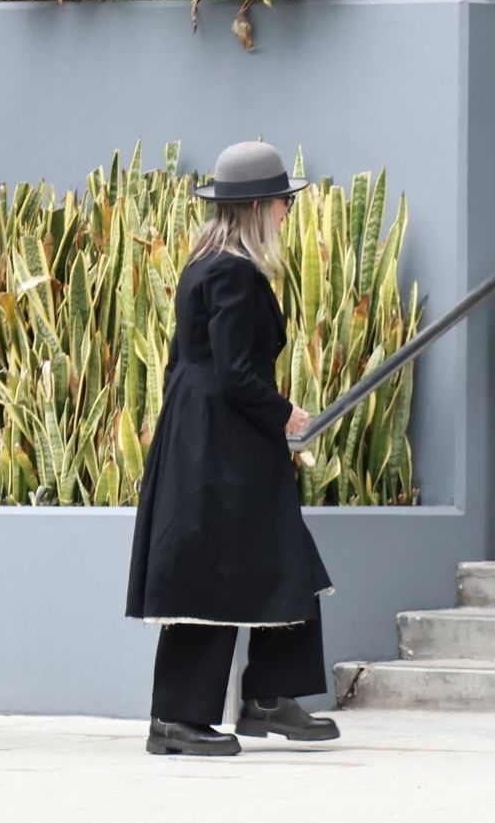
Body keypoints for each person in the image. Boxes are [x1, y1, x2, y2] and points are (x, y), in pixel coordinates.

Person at [126, 141, 340, 757]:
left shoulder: (209, 264)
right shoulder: (233, 272)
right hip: (220, 440)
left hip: (211, 433)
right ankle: (177, 719)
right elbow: (235, 374)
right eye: (281, 202)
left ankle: (269, 696)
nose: (286, 213)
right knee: (209, 571)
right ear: (258, 207)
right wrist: (285, 414)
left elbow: (193, 366)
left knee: (280, 555)